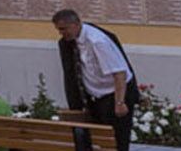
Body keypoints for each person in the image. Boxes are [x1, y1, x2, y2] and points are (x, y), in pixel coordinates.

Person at [54, 8, 140, 151]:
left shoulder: (97, 41)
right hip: (97, 97)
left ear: (76, 24)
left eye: (64, 29)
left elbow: (120, 73)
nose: (61, 33)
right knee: (97, 140)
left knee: (117, 142)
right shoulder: (70, 42)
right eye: (59, 30)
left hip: (116, 94)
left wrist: (120, 102)